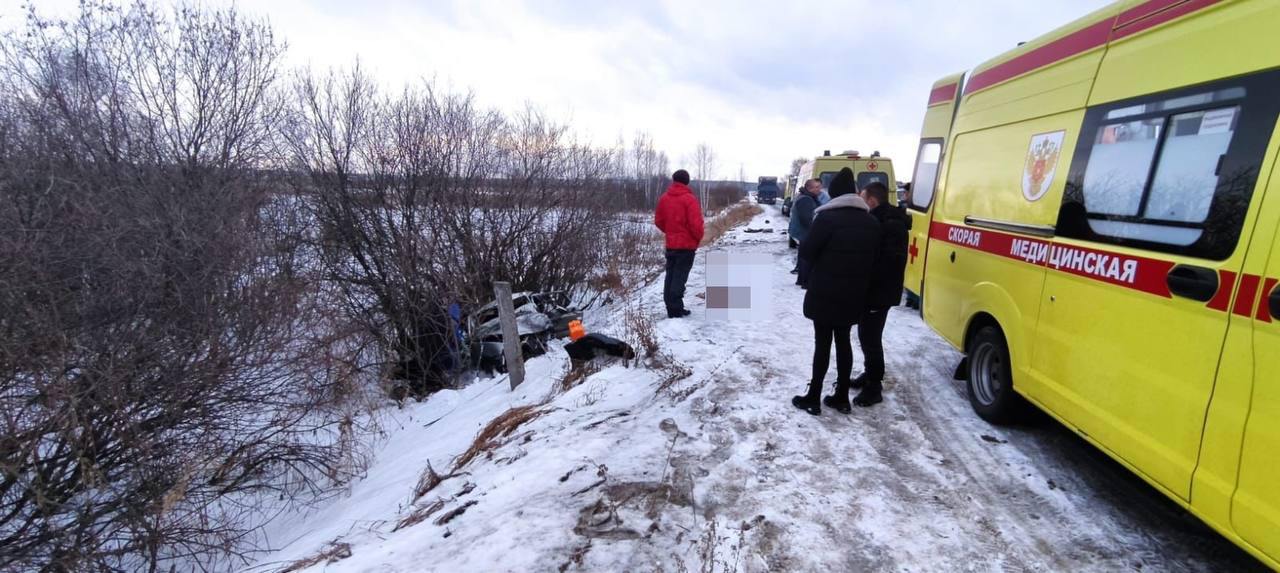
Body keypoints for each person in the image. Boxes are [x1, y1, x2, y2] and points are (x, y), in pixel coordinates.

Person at [791, 168, 880, 415]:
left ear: (835, 194)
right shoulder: (871, 222)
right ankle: (842, 396)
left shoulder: (827, 219)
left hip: (825, 292)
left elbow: (807, 251)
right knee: (844, 342)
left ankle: (814, 396)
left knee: (822, 344)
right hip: (853, 294)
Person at [843, 181, 911, 408]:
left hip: (879, 291)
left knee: (871, 338)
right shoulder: (882, 220)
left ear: (872, 200)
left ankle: (874, 386)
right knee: (866, 335)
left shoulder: (888, 224)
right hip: (874, 289)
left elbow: (887, 262)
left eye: (862, 197)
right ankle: (869, 374)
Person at [654, 169, 704, 318]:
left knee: (670, 275)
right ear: (687, 181)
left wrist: (670, 231)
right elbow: (696, 225)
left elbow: (659, 221)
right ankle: (675, 310)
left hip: (671, 244)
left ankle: (672, 306)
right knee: (679, 277)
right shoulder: (689, 199)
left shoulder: (664, 198)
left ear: (673, 180)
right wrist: (697, 238)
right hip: (686, 246)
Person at [787, 178, 821, 285]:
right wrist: (815, 232)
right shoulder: (806, 199)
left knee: (803, 256)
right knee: (806, 257)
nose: (819, 189)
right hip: (804, 233)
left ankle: (802, 280)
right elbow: (807, 219)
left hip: (803, 232)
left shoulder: (807, 197)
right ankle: (805, 281)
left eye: (819, 186)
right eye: (817, 187)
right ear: (809, 188)